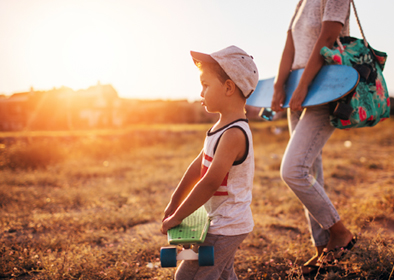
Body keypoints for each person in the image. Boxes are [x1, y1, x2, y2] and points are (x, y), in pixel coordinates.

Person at [271, 0, 356, 275]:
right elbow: (290, 44)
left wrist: (304, 84)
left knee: (293, 170)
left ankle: (340, 234)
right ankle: (324, 251)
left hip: (324, 88)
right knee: (309, 172)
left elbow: (329, 36)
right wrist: (278, 85)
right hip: (298, 90)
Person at [160, 45, 259, 280]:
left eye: (205, 85)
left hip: (227, 226)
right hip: (219, 221)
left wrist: (177, 217)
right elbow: (197, 167)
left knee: (189, 277)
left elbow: (210, 183)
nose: (201, 93)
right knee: (223, 274)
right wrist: (175, 201)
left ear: (228, 87)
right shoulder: (218, 128)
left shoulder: (234, 134)